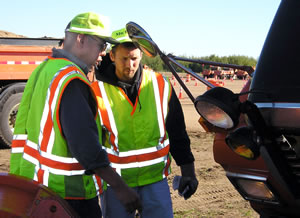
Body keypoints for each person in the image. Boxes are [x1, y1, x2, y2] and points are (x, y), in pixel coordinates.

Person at [9, 12, 142, 217]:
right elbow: (84, 145)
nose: (103, 53)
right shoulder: (72, 80)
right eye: (101, 45)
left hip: (36, 188)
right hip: (68, 197)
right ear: (81, 39)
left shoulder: (45, 69)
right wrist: (119, 186)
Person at [92, 28, 199, 218]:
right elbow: (89, 144)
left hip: (155, 181)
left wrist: (188, 171)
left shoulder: (160, 85)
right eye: (124, 59)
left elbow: (176, 131)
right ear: (112, 56)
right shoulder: (95, 91)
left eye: (134, 58)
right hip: (116, 184)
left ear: (141, 55)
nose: (130, 65)